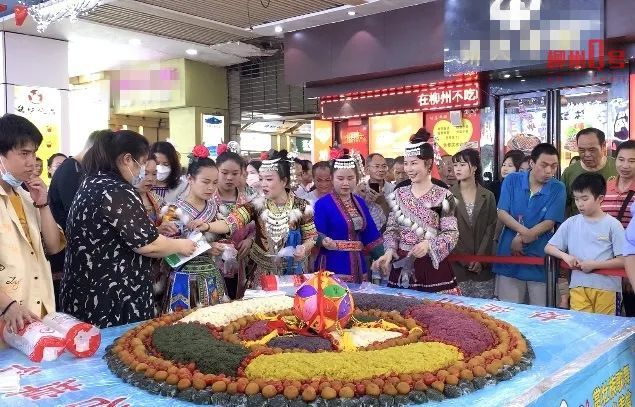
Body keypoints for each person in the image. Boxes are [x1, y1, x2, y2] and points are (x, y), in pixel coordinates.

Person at [61, 130, 196, 328]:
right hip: (111, 297)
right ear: (127, 160)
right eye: (142, 163)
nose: (144, 171)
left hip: (86, 291)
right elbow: (148, 245)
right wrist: (181, 245)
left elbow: (113, 234)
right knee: (121, 345)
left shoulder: (92, 181)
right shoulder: (117, 190)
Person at [203, 150, 317, 287]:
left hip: (293, 271)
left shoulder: (302, 206)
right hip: (262, 273)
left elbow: (311, 236)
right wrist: (207, 226)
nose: (263, 184)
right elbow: (230, 223)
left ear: (284, 181)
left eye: (269, 179)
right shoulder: (256, 205)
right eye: (261, 179)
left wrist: (303, 248)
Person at [0, 114, 65, 340]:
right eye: (24, 153)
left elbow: (53, 246)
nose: (32, 162)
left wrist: (43, 204)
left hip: (37, 309)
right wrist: (7, 305)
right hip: (8, 314)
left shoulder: (27, 197)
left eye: (34, 153)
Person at [373, 132, 460, 294]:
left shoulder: (444, 195)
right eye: (406, 164)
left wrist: (429, 245)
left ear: (428, 164)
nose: (409, 169)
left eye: (414, 163)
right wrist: (389, 251)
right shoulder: (398, 194)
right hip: (402, 265)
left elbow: (451, 233)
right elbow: (392, 230)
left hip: (433, 268)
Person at [493, 143, 565, 306]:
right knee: (509, 312)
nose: (549, 171)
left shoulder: (558, 188)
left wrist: (521, 238)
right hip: (510, 254)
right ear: (532, 163)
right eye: (544, 165)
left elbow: (549, 222)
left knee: (540, 313)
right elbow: (502, 212)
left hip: (540, 256)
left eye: (554, 166)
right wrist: (523, 233)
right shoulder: (512, 180)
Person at [545, 173, 625, 315]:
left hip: (608, 288)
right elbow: (549, 247)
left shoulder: (613, 225)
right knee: (580, 326)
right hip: (578, 286)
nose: (580, 204)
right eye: (576, 199)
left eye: (584, 198)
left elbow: (623, 260)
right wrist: (566, 256)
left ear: (600, 198)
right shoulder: (571, 222)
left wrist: (595, 265)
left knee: (606, 327)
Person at [163, 146, 229, 313]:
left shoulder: (216, 209)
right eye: (205, 182)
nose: (211, 188)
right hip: (183, 278)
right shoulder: (172, 210)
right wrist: (206, 248)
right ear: (190, 179)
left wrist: (223, 247)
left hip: (211, 276)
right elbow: (167, 249)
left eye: (215, 183)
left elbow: (225, 238)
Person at [314, 152, 384, 283]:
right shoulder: (322, 204)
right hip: (333, 263)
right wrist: (322, 240)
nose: (345, 183)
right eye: (340, 179)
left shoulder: (360, 202)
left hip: (359, 265)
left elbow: (370, 234)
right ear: (332, 178)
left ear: (357, 178)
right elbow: (314, 233)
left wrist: (383, 257)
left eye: (350, 178)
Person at [450, 149, 497, 299]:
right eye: (455, 165)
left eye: (463, 164)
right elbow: (447, 230)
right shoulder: (447, 195)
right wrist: (466, 259)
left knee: (484, 309)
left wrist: (480, 258)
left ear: (475, 167)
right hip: (457, 265)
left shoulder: (488, 196)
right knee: (458, 309)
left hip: (483, 266)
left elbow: (491, 228)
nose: (457, 169)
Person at [212, 149, 256, 299]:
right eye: (224, 173)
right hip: (213, 262)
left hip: (240, 262)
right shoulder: (207, 198)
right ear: (216, 171)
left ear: (242, 173)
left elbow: (257, 228)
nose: (229, 178)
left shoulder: (248, 200)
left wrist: (250, 240)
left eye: (235, 173)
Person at [49, 129, 111, 229]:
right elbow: (76, 213)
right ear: (91, 149)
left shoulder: (78, 168)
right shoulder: (70, 170)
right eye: (102, 156)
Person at [601, 140, 635, 316]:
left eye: (632, 161)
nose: (625, 165)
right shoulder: (605, 188)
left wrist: (630, 272)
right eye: (621, 160)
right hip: (605, 264)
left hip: (630, 264)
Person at [562, 128, 617, 217]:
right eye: (582, 150)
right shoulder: (569, 173)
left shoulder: (618, 168)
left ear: (603, 146)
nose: (587, 154)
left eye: (592, 150)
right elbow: (564, 206)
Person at [358, 153, 394, 232]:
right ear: (367, 170)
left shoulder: (394, 190)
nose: (381, 170)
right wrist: (361, 200)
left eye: (384, 166)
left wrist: (383, 203)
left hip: (389, 235)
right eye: (377, 166)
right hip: (368, 235)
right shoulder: (360, 191)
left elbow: (397, 220)